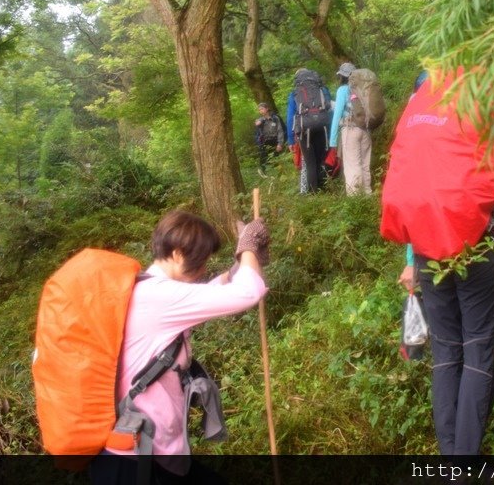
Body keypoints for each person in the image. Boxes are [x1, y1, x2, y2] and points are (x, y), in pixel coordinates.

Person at [386, 71, 494, 455]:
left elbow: (421, 194)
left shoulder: (426, 113)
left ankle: (450, 457)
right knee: (479, 348)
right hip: (478, 249)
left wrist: (410, 260)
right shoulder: (493, 113)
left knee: (447, 352)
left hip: (427, 252)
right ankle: (462, 464)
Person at [90, 210, 270, 484]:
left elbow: (208, 293)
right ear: (177, 254)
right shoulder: (160, 296)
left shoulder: (148, 289)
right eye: (199, 263)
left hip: (142, 450)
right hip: (136, 460)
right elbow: (248, 293)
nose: (201, 271)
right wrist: (247, 246)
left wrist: (243, 264)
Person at [328, 61, 374, 195]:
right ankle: (367, 194)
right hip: (365, 130)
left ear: (342, 76)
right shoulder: (363, 88)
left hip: (350, 129)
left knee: (352, 165)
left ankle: (355, 200)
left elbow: (337, 115)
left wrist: (332, 140)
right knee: (365, 164)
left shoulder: (343, 90)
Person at [286, 69, 332, 193]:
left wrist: (290, 139)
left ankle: (313, 193)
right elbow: (329, 109)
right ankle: (323, 189)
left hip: (304, 130)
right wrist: (330, 131)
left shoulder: (295, 93)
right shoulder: (323, 90)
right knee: (320, 160)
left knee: (310, 162)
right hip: (322, 128)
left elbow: (290, 117)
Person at [254, 101, 285, 176]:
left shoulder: (275, 118)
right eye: (259, 110)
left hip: (275, 141)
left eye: (262, 109)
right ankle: (263, 172)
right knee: (263, 158)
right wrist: (258, 124)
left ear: (267, 109)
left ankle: (280, 174)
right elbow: (257, 129)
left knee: (276, 158)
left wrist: (280, 144)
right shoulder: (260, 120)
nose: (260, 111)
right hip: (265, 141)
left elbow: (280, 131)